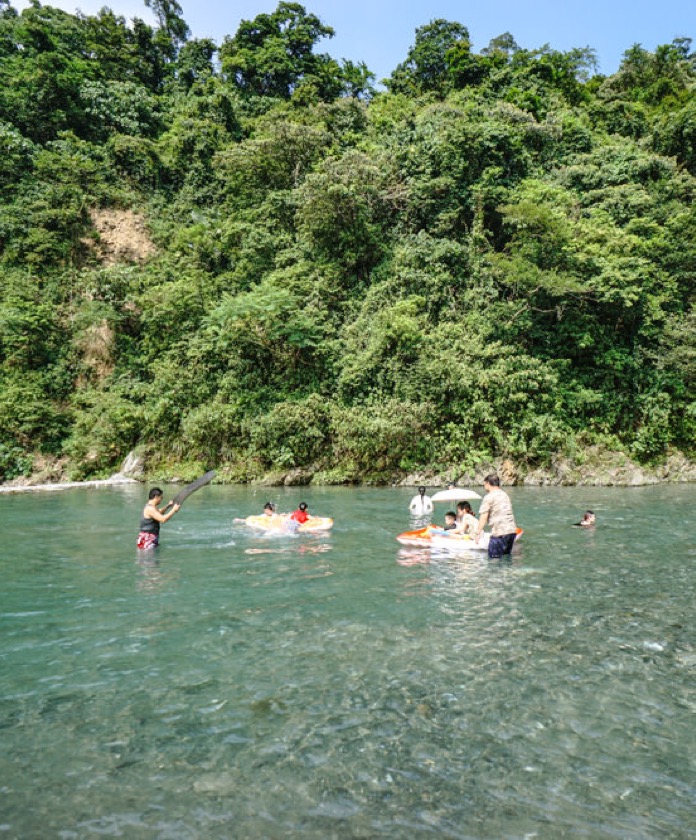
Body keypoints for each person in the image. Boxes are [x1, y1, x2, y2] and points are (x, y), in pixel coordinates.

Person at [476, 474, 517, 559]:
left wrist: (478, 533)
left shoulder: (489, 497)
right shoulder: (505, 495)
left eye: (484, 485)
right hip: (511, 531)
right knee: (506, 559)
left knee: (493, 561)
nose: (484, 487)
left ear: (488, 483)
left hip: (499, 532)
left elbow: (484, 516)